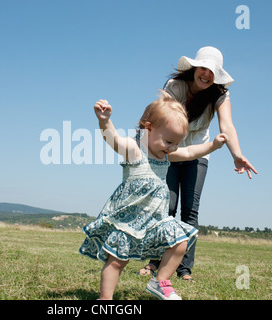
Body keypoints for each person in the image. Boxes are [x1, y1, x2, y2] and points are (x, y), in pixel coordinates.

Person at [79, 91, 228, 300]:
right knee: (116, 262)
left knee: (181, 242)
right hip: (128, 222)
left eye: (176, 142)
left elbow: (188, 153)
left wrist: (212, 145)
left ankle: (159, 281)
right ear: (148, 129)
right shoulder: (135, 150)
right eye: (168, 141)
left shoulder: (168, 155)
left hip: (155, 222)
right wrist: (105, 122)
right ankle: (105, 300)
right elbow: (114, 141)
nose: (172, 147)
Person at [139, 46, 257, 281]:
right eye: (203, 68)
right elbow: (161, 117)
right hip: (170, 151)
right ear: (194, 68)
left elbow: (227, 126)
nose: (206, 74)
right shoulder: (175, 86)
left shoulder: (220, 94)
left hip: (199, 152)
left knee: (189, 211)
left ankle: (184, 268)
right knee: (167, 207)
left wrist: (236, 154)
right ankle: (155, 262)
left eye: (212, 71)